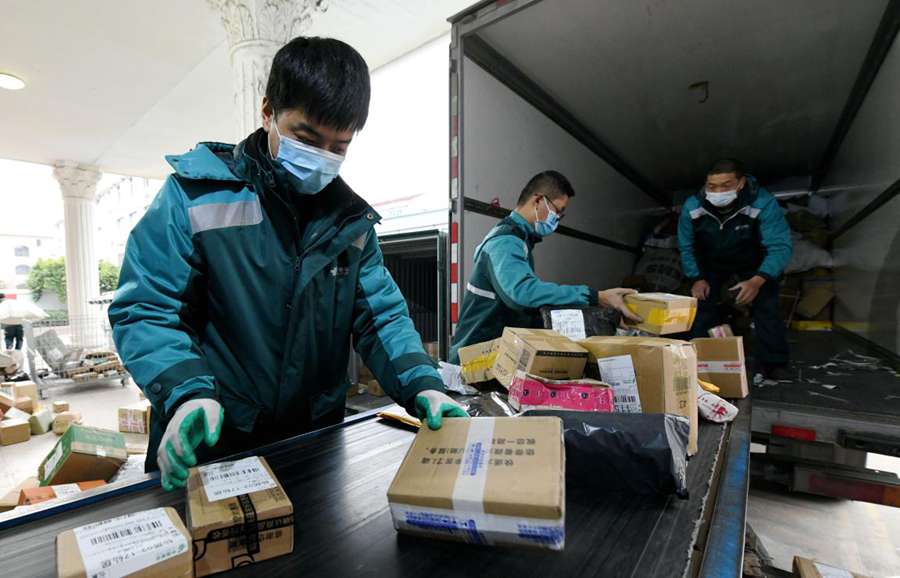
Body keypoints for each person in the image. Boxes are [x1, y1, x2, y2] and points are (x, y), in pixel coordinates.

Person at [108, 37, 466, 491]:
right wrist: (187, 393)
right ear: (267, 112)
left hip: (311, 445)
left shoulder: (351, 225)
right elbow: (146, 309)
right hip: (214, 441)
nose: (323, 158)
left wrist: (423, 384)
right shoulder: (194, 198)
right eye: (306, 137)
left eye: (339, 146)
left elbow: (382, 317)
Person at [449, 170, 641, 362]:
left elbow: (527, 309)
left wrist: (604, 318)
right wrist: (595, 297)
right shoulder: (505, 242)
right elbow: (523, 293)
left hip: (490, 359)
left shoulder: (520, 241)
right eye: (557, 210)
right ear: (538, 200)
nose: (557, 218)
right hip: (471, 364)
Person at [678, 159, 793, 379]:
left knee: (767, 305)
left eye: (726, 185)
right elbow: (686, 245)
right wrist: (696, 278)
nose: (718, 191)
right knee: (701, 306)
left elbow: (780, 246)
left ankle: (774, 363)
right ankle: (697, 362)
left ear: (741, 183)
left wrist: (758, 280)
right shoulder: (693, 206)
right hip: (711, 261)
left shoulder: (763, 202)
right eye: (712, 186)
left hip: (752, 261)